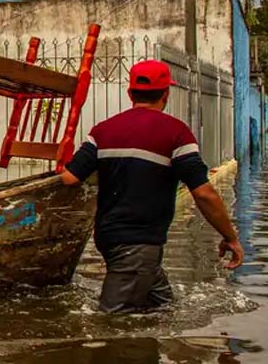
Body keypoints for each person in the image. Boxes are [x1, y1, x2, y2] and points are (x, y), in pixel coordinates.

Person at [58, 59, 244, 313]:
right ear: (166, 93)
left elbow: (69, 177)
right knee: (113, 321)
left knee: (165, 308)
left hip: (109, 239)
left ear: (130, 93)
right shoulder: (176, 133)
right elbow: (203, 193)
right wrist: (230, 237)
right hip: (138, 244)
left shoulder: (102, 130)